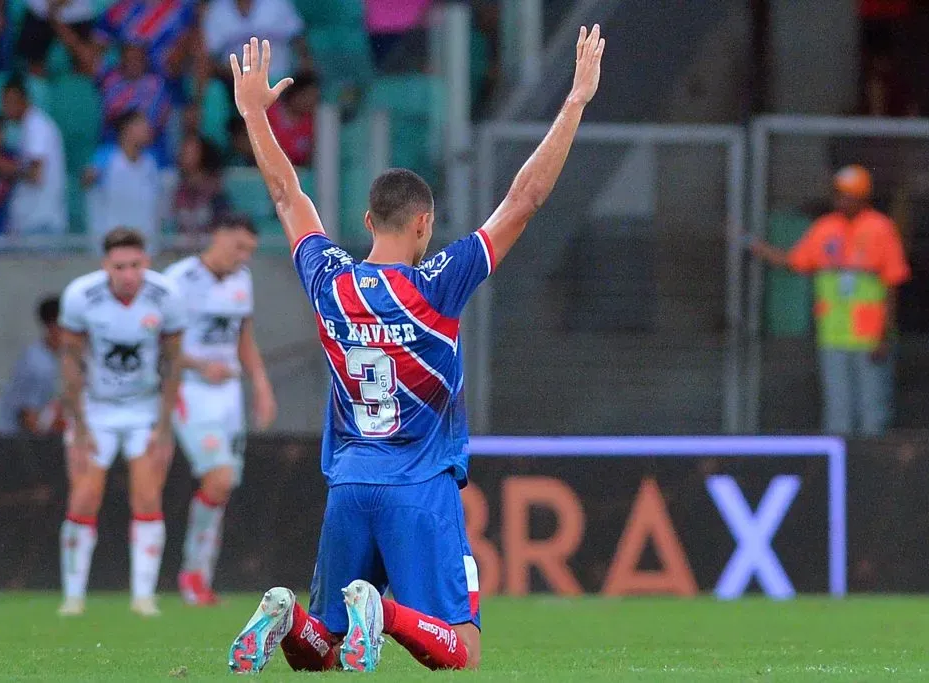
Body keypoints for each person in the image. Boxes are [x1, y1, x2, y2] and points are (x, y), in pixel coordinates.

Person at [225, 28, 603, 673]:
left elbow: (288, 195)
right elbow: (525, 199)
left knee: (318, 651)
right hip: (420, 488)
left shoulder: (331, 280)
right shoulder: (441, 281)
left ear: (368, 221)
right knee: (464, 653)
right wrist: (574, 102)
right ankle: (388, 613)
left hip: (348, 484)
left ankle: (288, 615)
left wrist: (256, 114)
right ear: (425, 223)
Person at [56, 227, 185, 617]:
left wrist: (164, 426)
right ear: (105, 266)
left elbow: (174, 362)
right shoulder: (81, 297)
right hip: (96, 408)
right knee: (84, 495)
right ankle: (73, 597)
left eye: (135, 265)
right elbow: (70, 362)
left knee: (147, 496)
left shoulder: (166, 296)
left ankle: (143, 596)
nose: (128, 274)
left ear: (146, 262)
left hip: (144, 408)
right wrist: (78, 426)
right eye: (119, 267)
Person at [164, 214, 276, 606]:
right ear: (218, 236)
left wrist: (260, 385)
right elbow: (161, 343)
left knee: (223, 486)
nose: (243, 257)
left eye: (249, 251)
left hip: (229, 396)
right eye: (238, 247)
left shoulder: (241, 281)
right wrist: (198, 365)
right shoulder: (179, 280)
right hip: (191, 391)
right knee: (219, 478)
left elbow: (244, 337)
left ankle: (199, 577)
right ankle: (192, 573)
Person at [749, 165, 911, 436]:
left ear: (863, 198)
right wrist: (756, 246)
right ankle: (841, 469)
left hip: (870, 337)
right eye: (838, 194)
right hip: (833, 336)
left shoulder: (881, 228)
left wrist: (884, 334)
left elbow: (892, 284)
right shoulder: (824, 228)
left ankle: (872, 466)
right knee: (838, 411)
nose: (841, 201)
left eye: (849, 195)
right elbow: (795, 261)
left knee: (874, 412)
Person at [84, 110, 161, 255]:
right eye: (142, 125)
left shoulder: (151, 162)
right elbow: (86, 182)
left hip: (144, 245)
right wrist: (90, 176)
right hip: (110, 243)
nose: (148, 130)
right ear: (127, 129)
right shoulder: (105, 158)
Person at [1, 74, 66, 236]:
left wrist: (0, 165)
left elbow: (35, 174)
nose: (5, 108)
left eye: (8, 102)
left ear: (23, 100)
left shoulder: (37, 126)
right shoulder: (29, 126)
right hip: (33, 221)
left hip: (40, 222)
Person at [0, 296, 64, 435]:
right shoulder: (37, 364)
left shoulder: (54, 357)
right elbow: (29, 417)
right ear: (52, 326)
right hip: (15, 444)